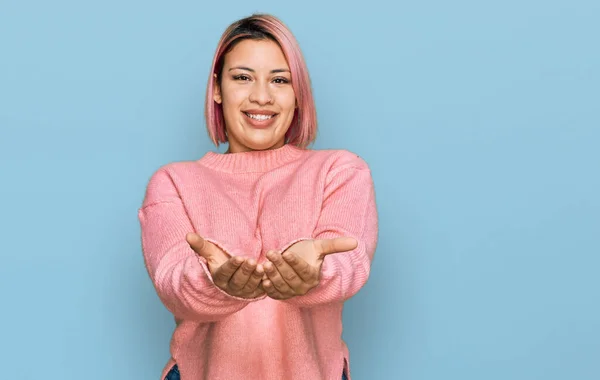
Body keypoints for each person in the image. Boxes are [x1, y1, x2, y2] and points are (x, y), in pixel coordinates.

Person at [138, 13, 378, 380]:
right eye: (242, 77)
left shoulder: (340, 170)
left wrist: (312, 275)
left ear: (299, 94)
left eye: (280, 80)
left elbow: (350, 260)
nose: (261, 97)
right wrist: (215, 282)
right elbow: (173, 282)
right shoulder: (173, 181)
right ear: (217, 88)